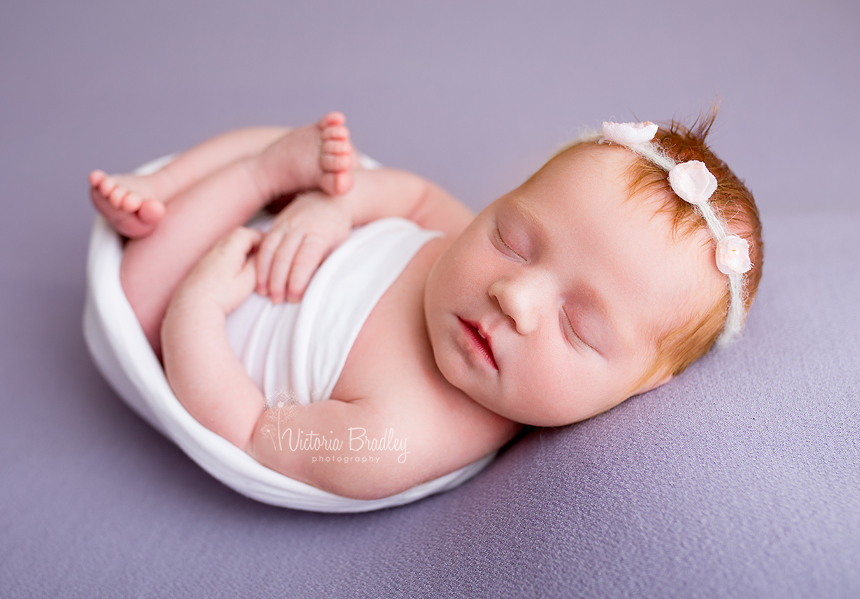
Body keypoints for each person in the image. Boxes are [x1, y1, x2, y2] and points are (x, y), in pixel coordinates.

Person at [88, 111, 763, 501]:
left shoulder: (397, 440)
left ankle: (253, 176)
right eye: (513, 239)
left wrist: (198, 310)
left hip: (197, 334)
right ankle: (246, 172)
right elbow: (411, 197)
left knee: (133, 287)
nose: (516, 296)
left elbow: (251, 433)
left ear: (638, 388)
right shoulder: (451, 237)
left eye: (575, 325)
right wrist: (336, 206)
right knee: (330, 166)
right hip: (299, 236)